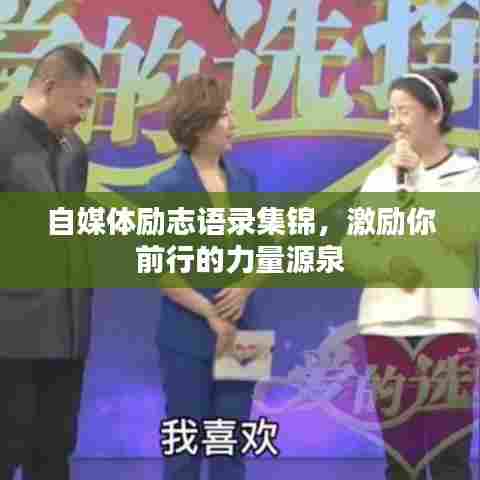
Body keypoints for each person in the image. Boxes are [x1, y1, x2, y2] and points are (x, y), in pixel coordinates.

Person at [345, 67, 479, 479]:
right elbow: (353, 251)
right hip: (386, 326)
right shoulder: (378, 179)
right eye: (391, 112)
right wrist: (387, 266)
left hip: (447, 324)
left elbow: (461, 232)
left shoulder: (468, 174)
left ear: (434, 114)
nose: (395, 122)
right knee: (401, 458)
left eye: (404, 111)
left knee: (449, 454)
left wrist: (417, 176)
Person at [145, 73, 257, 480]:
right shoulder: (164, 188)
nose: (233, 124)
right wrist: (210, 312)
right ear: (198, 125)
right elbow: (161, 270)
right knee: (185, 448)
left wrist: (243, 289)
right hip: (185, 334)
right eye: (225, 115)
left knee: (232, 449)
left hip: (243, 332)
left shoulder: (246, 181)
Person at [0, 46, 100, 480]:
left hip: (68, 332)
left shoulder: (75, 150)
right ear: (49, 86)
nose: (83, 115)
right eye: (80, 103)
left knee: (54, 455)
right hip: (11, 337)